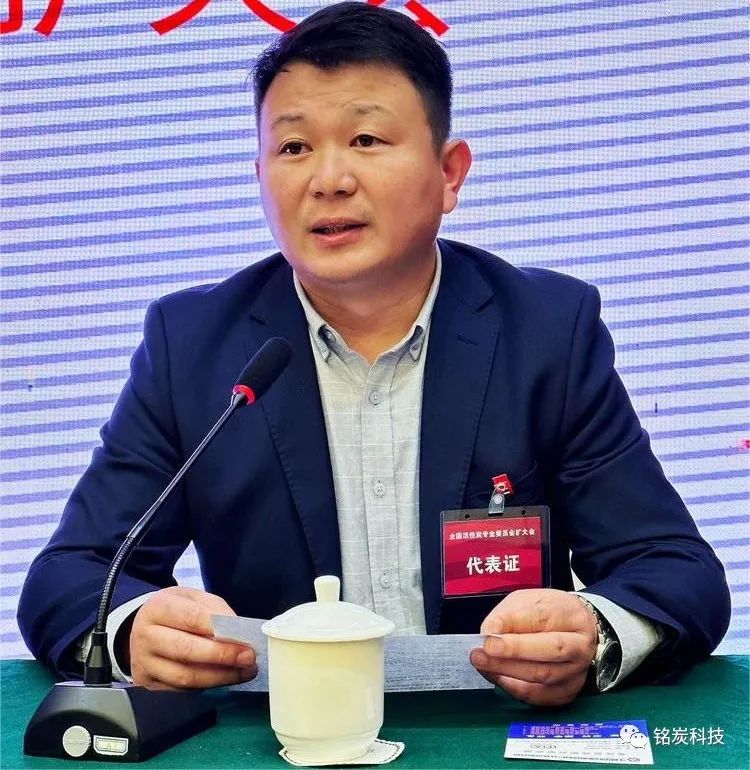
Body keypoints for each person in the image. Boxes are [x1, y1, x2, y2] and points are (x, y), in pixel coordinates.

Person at [18, 2, 729, 707]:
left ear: (450, 174)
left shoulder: (545, 331)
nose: (328, 179)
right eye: (294, 148)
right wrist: (129, 629)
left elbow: (675, 570)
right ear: (260, 175)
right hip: (283, 735)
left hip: (491, 730)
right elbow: (69, 576)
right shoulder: (195, 344)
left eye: (365, 139)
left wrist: (593, 633)